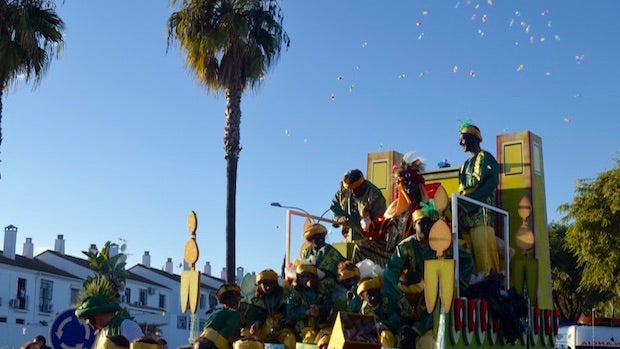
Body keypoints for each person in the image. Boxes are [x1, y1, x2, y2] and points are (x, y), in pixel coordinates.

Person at [457, 122, 500, 276]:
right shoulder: (464, 165)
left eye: (463, 138)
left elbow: (491, 182)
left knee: (485, 257)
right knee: (466, 257)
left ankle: (491, 289)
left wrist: (470, 201)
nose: (460, 143)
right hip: (464, 220)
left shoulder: (486, 157)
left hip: (481, 216)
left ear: (473, 138)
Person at [244, 269, 296, 349]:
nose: (268, 287)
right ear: (259, 285)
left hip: (281, 329)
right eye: (264, 284)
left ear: (276, 283)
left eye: (271, 283)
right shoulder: (255, 300)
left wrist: (289, 319)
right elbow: (254, 316)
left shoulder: (285, 295)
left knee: (290, 338)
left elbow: (289, 310)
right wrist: (256, 323)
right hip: (262, 330)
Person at [330, 169, 387, 242]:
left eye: (356, 189)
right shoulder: (343, 191)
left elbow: (382, 220)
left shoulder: (374, 195)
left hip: (370, 239)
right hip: (350, 236)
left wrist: (371, 225)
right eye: (350, 189)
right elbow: (334, 206)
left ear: (362, 184)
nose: (353, 192)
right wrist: (338, 217)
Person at [286, 263, 332, 345]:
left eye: (308, 276)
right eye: (302, 277)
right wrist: (306, 312)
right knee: (311, 337)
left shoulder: (322, 291)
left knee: (329, 336)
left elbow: (329, 306)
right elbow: (290, 312)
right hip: (302, 327)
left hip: (321, 325)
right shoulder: (294, 293)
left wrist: (319, 309)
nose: (305, 279)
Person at [76, 294, 144, 349]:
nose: (88, 322)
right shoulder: (101, 333)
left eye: (90, 318)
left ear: (101, 313)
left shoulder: (127, 325)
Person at [300, 221, 346, 296]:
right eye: (317, 237)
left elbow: (335, 272)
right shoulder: (306, 252)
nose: (322, 239)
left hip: (331, 282)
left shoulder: (330, 250)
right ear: (310, 239)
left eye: (323, 236)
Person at [357, 276, 400, 348]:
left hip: (395, 335)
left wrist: (381, 326)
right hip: (376, 339)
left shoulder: (389, 301)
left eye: (374, 293)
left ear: (379, 290)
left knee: (386, 335)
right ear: (362, 296)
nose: (372, 297)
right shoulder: (364, 310)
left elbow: (397, 320)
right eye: (368, 295)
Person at [396, 269, 432, 349]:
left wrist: (415, 330)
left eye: (412, 294)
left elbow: (431, 319)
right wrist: (405, 329)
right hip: (410, 334)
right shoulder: (402, 301)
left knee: (425, 341)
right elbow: (401, 318)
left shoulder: (429, 298)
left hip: (428, 332)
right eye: (407, 294)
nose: (409, 297)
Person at [198, 283, 242, 349]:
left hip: (200, 342)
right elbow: (228, 330)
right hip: (213, 345)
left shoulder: (216, 313)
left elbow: (206, 327)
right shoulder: (235, 314)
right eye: (236, 299)